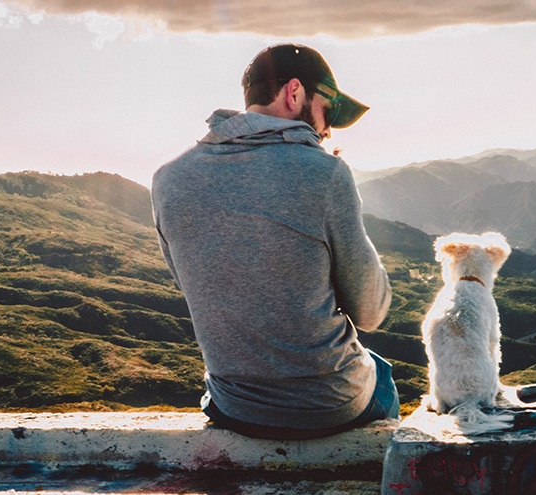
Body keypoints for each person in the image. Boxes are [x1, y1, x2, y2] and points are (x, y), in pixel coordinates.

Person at [151, 44, 397, 440]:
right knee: (380, 373)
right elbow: (370, 312)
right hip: (326, 403)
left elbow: (199, 285)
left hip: (233, 405)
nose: (327, 129)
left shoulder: (168, 178)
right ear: (294, 93)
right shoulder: (326, 174)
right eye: (328, 111)